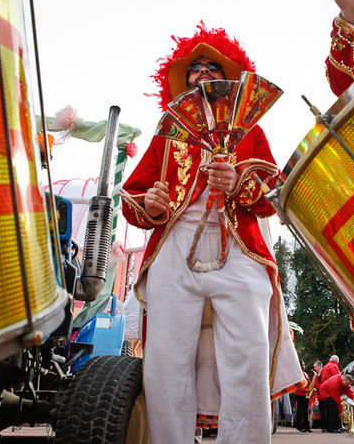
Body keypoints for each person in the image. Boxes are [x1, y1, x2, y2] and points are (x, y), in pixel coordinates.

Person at [120, 23, 304, 444]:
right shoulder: (166, 135)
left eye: (211, 66)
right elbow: (133, 194)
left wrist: (238, 180)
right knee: (166, 364)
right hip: (174, 248)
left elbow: (273, 189)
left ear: (229, 79)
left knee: (248, 359)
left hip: (240, 249)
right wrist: (152, 205)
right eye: (194, 68)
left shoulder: (251, 131)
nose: (203, 72)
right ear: (183, 80)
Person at [318, 356, 340, 430]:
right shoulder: (334, 366)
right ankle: (334, 427)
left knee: (328, 410)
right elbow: (337, 377)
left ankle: (328, 427)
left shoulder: (324, 367)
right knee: (333, 409)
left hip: (325, 390)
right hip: (331, 390)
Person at [293, 361, 312, 432]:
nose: (304, 366)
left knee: (306, 411)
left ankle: (306, 426)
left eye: (304, 365)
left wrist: (310, 388)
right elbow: (298, 385)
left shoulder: (305, 373)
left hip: (305, 394)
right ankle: (300, 426)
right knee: (300, 410)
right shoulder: (298, 374)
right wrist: (305, 390)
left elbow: (308, 382)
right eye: (302, 365)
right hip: (300, 394)